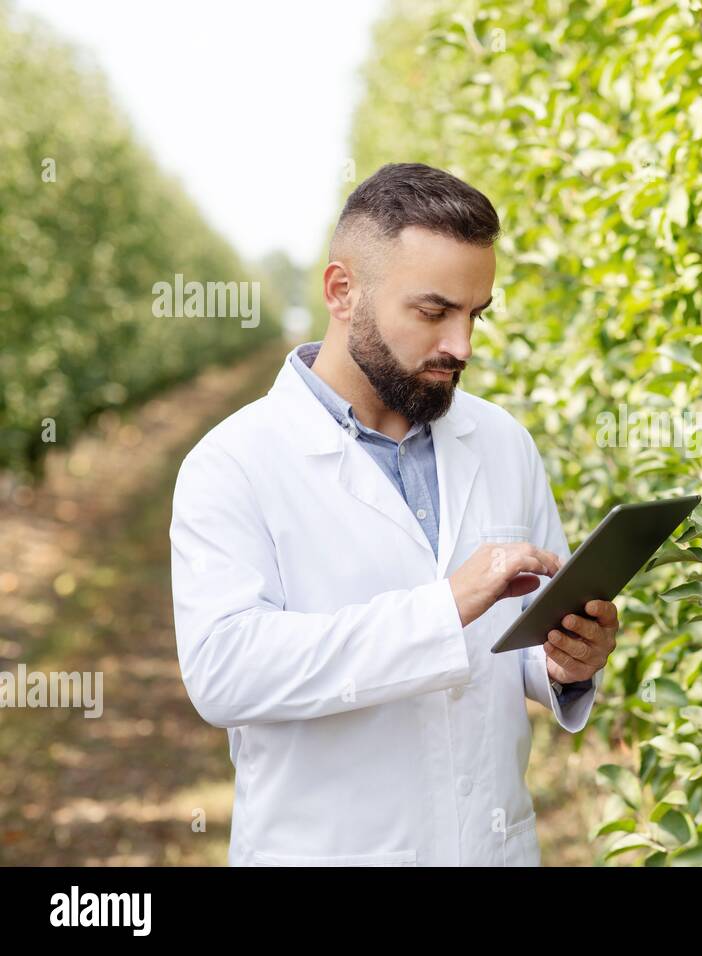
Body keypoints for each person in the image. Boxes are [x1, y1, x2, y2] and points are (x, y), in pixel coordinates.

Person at [169, 163, 618, 866]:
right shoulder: (233, 464)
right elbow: (226, 672)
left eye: (476, 315)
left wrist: (567, 664)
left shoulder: (501, 441)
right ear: (343, 291)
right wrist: (443, 609)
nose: (462, 346)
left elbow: (520, 649)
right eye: (434, 312)